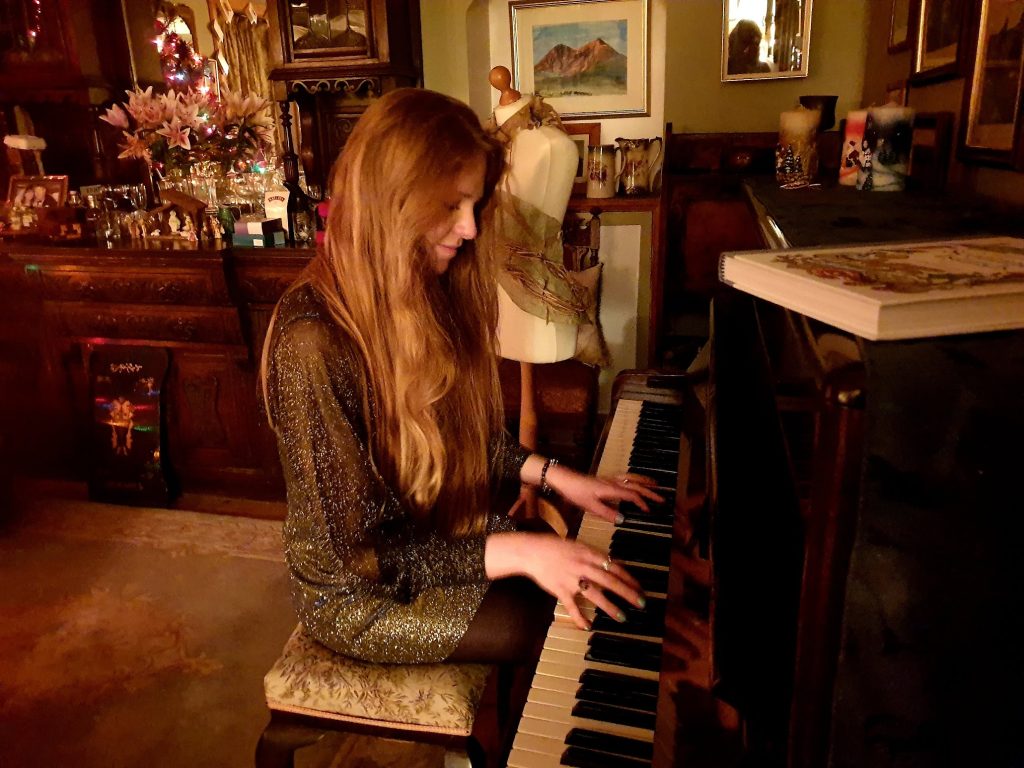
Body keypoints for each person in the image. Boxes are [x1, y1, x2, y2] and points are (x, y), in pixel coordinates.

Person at [260, 88, 661, 665]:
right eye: (452, 205)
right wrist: (517, 552)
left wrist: (558, 477)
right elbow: (359, 555)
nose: (471, 229)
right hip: (359, 593)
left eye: (474, 205)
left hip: (425, 532)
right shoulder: (312, 341)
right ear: (392, 202)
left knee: (568, 567)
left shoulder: (420, 288)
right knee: (548, 619)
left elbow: (459, 430)